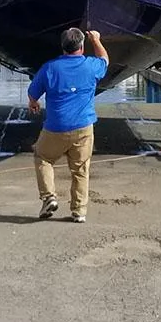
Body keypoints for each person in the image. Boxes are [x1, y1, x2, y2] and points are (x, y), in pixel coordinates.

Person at [28, 27, 108, 223]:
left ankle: (49, 197)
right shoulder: (91, 66)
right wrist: (96, 40)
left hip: (55, 127)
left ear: (62, 47)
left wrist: (33, 102)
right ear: (81, 46)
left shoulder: (50, 68)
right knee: (80, 169)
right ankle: (79, 211)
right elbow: (105, 60)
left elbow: (33, 93)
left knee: (42, 157)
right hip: (83, 127)